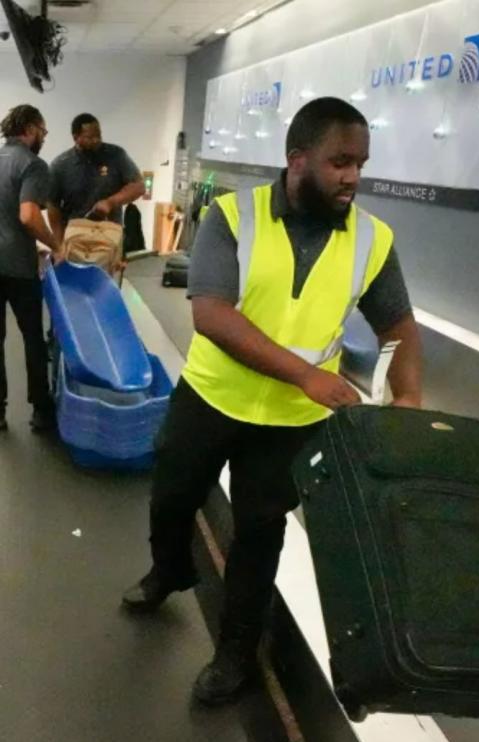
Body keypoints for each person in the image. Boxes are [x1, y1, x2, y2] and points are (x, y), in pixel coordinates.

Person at [120, 97, 423, 706]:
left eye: (360, 163)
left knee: (260, 535)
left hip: (291, 425)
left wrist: (409, 392)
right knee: (172, 498)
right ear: (297, 159)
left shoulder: (372, 238)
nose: (353, 177)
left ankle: (235, 655)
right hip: (211, 397)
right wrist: (305, 376)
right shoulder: (234, 217)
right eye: (340, 162)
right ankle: (170, 571)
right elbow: (211, 315)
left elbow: (398, 322)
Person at [0, 104, 60, 432]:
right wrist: (56, 245)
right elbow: (29, 216)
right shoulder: (33, 165)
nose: (44, 138)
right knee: (33, 337)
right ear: (31, 129)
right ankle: (40, 409)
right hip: (18, 268)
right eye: (43, 131)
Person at [47, 113, 145, 245]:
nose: (96, 140)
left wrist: (110, 202)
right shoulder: (60, 165)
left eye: (98, 135)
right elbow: (53, 206)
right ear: (76, 137)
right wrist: (58, 245)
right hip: (75, 238)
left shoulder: (116, 155)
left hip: (109, 236)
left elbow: (138, 187)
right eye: (90, 137)